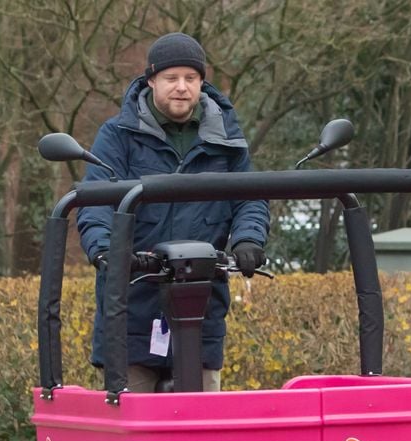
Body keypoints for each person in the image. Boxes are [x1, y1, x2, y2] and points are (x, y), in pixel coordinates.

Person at [77, 32, 270, 392]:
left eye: (191, 78)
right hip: (133, 304)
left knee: (202, 416)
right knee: (134, 415)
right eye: (171, 78)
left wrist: (248, 239)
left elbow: (249, 197)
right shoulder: (118, 135)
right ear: (151, 80)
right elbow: (96, 200)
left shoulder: (226, 137)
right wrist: (105, 250)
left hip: (201, 303)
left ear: (201, 82)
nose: (182, 87)